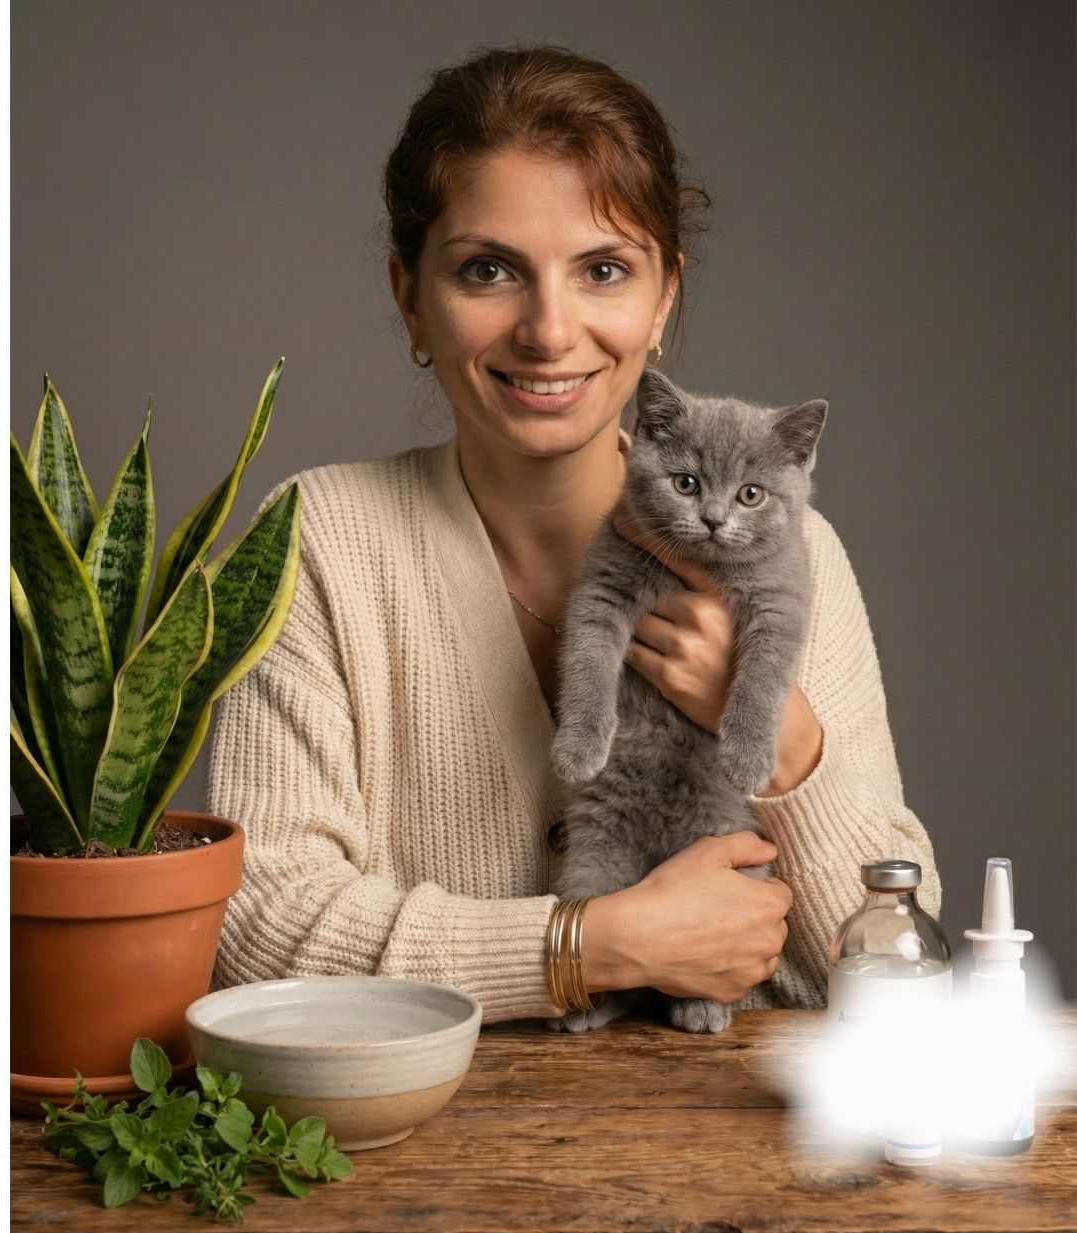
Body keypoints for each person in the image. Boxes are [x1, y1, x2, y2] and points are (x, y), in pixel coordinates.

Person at [202, 43, 941, 1023]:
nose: (550, 331)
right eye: (489, 269)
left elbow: (890, 969)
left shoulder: (790, 556)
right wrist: (582, 947)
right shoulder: (317, 544)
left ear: (662, 299)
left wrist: (790, 749)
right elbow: (254, 935)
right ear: (410, 297)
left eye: (602, 269)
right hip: (406, 1163)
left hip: (723, 1160)